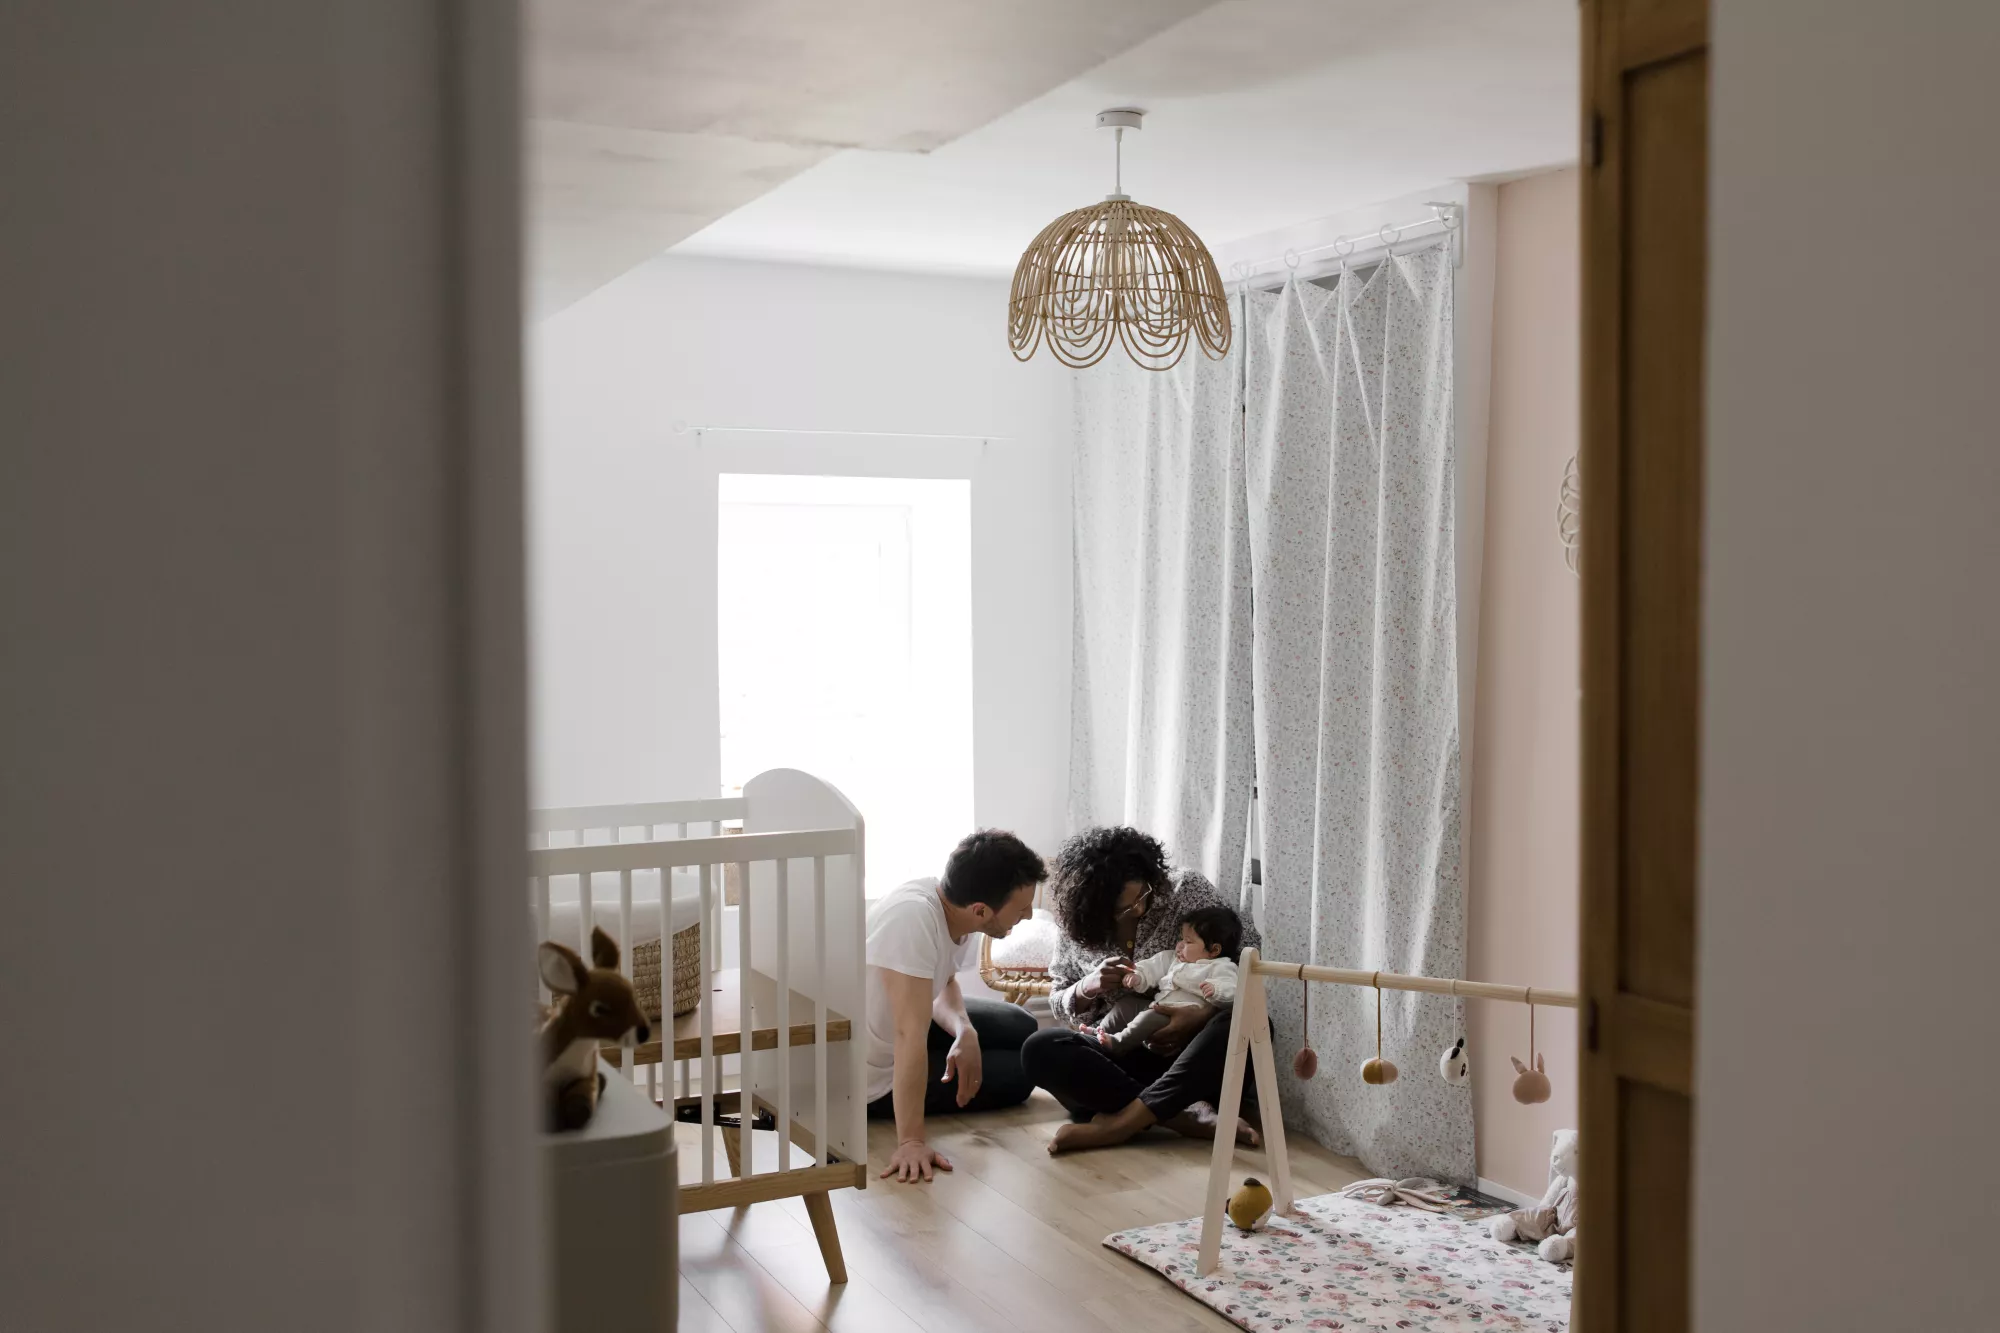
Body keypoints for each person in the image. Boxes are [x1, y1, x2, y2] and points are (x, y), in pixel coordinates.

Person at [1020, 826, 1263, 1155]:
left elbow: (1247, 963)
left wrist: (1199, 1014)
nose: (1137, 910)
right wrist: (1087, 987)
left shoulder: (1185, 890)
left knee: (1249, 1024)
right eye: (1123, 909)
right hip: (1121, 1059)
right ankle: (1181, 1116)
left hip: (1188, 1062)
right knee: (1040, 1047)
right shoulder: (1076, 925)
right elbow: (1059, 1001)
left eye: (1143, 896)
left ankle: (1122, 1123)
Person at [865, 829, 1044, 1183]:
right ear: (981, 910)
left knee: (1021, 1025)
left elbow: (943, 981)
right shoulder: (912, 919)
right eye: (1022, 908)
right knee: (1023, 1073)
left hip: (905, 1026)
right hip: (872, 1075)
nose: (1028, 916)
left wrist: (964, 1030)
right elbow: (907, 1034)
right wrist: (912, 1141)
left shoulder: (957, 905)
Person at [1083, 905, 1242, 1057]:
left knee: (1147, 1018)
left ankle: (1118, 1043)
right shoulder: (1172, 958)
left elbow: (1233, 990)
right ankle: (1099, 1031)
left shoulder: (1221, 966)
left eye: (1188, 941)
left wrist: (1217, 990)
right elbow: (1152, 966)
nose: (1179, 945)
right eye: (1181, 938)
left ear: (1214, 950)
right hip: (1157, 1006)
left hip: (1177, 1018)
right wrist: (1138, 976)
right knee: (1125, 1005)